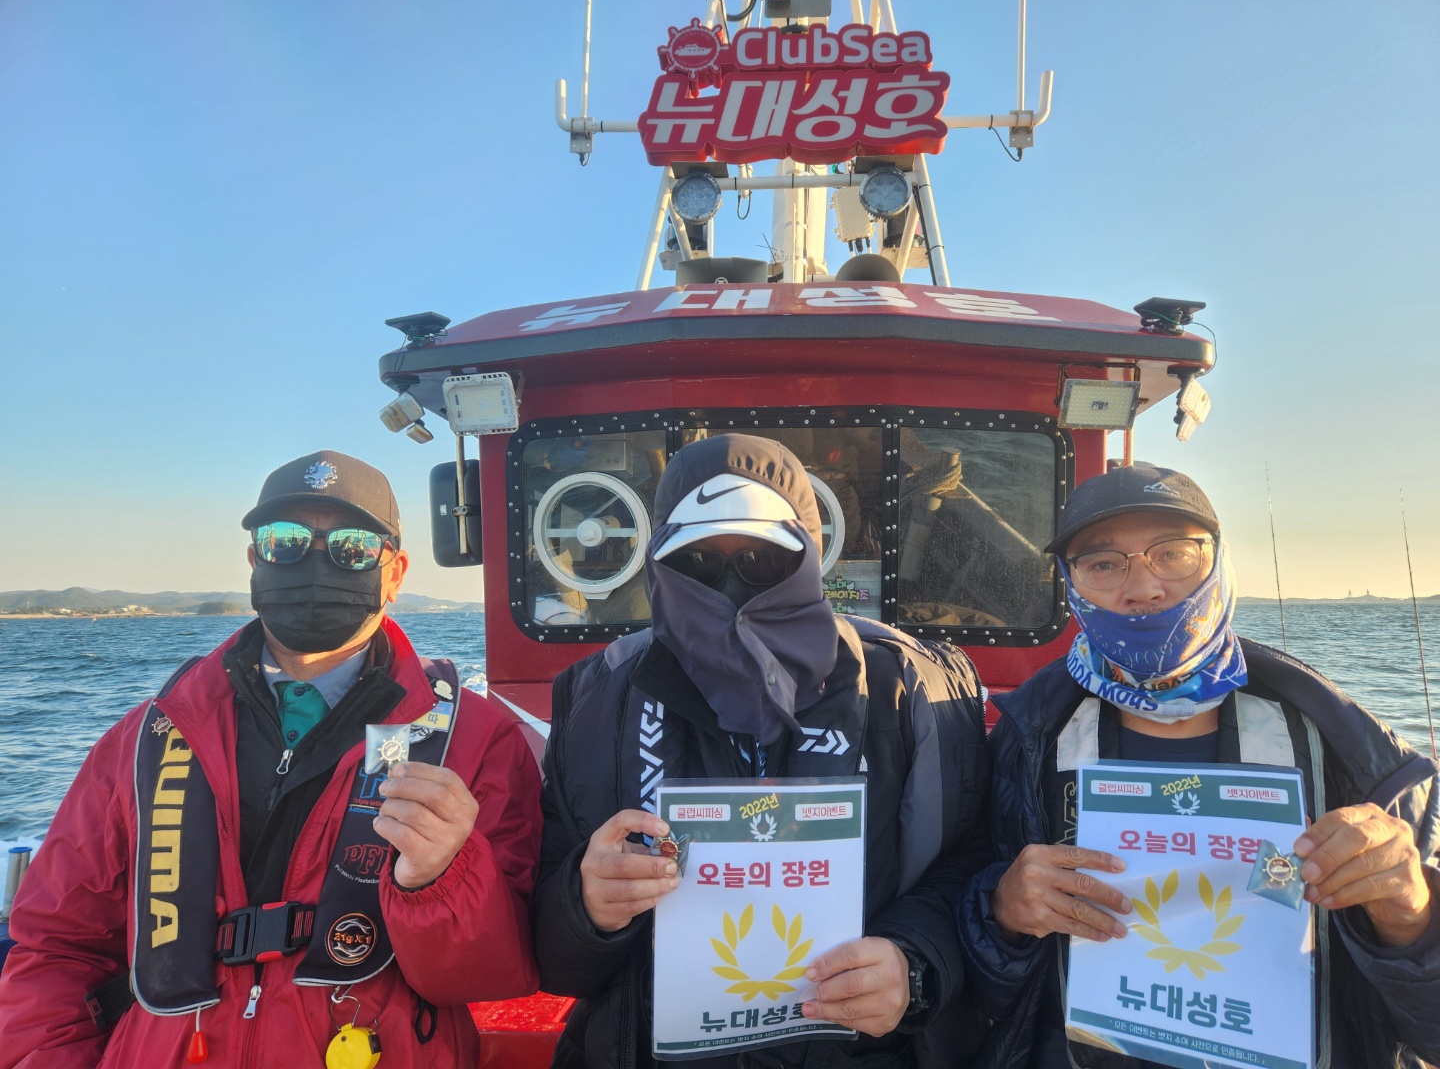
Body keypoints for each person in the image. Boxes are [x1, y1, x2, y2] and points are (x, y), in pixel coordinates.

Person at [0, 450, 541, 1068]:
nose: (317, 561)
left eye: (354, 547)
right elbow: (55, 947)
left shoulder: (477, 741)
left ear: (395, 573)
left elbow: (494, 974)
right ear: (255, 560)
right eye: (286, 541)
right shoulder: (145, 737)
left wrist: (444, 878)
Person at [532, 434, 993, 1069]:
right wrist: (586, 906)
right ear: (658, 565)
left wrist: (913, 965)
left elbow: (973, 872)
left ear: (809, 557)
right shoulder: (594, 700)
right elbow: (552, 953)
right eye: (697, 563)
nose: (730, 589)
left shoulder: (912, 689)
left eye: (763, 560)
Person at [956, 463, 1440, 1068]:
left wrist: (1409, 913)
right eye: (1103, 563)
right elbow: (979, 989)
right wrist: (1002, 909)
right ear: (1070, 584)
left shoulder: (1350, 750)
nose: (1143, 588)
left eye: (1174, 554)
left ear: (1218, 562)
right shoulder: (1025, 739)